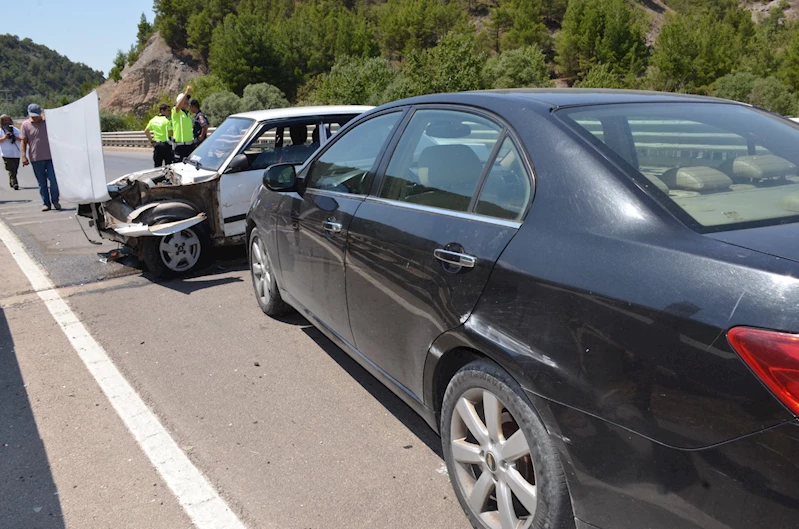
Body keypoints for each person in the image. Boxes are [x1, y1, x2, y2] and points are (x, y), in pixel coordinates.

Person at [20, 104, 60, 211]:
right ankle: (46, 203)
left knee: (54, 180)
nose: (36, 117)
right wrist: (23, 156)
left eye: (37, 115)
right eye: (33, 116)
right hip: (35, 158)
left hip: (50, 157)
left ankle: (55, 200)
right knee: (42, 183)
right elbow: (23, 142)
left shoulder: (47, 123)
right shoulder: (25, 125)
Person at [172, 84, 195, 161]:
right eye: (185, 99)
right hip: (180, 146)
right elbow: (178, 107)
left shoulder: (188, 114)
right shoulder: (175, 112)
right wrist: (186, 92)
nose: (187, 101)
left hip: (189, 146)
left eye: (187, 100)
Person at [0, 114, 21, 190]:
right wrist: (5, 137)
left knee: (15, 169)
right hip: (6, 153)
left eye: (8, 120)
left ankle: (12, 180)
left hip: (16, 153)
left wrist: (14, 137)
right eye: (4, 120)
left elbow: (22, 139)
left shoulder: (15, 130)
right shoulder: (1, 130)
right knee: (11, 168)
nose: (6, 122)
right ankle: (15, 182)